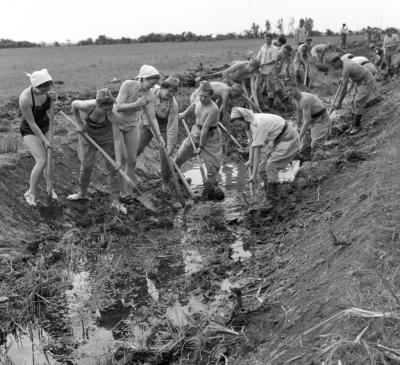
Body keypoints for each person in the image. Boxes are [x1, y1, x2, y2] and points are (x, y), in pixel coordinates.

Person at [67, 89, 127, 214]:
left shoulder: (113, 114)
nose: (108, 111)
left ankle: (115, 201)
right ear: (98, 105)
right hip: (87, 135)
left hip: (106, 137)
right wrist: (79, 123)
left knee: (113, 168)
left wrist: (118, 161)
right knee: (86, 166)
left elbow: (117, 139)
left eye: (110, 108)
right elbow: (73, 104)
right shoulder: (88, 106)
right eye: (104, 109)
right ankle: (82, 193)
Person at [230, 107, 299, 210]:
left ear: (245, 119)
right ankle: (269, 193)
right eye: (237, 127)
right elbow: (252, 144)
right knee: (263, 169)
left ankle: (272, 200)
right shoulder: (248, 125)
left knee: (271, 165)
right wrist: (250, 160)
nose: (239, 128)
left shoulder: (257, 125)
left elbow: (257, 151)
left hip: (287, 137)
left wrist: (253, 174)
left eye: (240, 125)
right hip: (276, 139)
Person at [114, 65, 162, 204]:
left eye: (154, 85)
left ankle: (130, 192)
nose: (151, 87)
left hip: (131, 125)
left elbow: (152, 118)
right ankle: (122, 194)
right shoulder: (128, 85)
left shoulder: (150, 94)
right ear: (142, 78)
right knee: (122, 159)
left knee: (132, 160)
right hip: (116, 124)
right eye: (150, 83)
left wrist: (159, 136)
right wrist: (136, 104)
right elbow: (118, 107)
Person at [175, 82, 223, 198]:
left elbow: (205, 129)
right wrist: (184, 114)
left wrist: (200, 147)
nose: (202, 98)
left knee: (212, 165)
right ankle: (174, 175)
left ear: (210, 96)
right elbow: (193, 105)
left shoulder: (213, 109)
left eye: (205, 97)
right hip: (196, 131)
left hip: (211, 136)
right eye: (201, 95)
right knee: (181, 153)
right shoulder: (198, 99)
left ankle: (211, 188)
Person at [19, 69, 56, 207]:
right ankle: (31, 193)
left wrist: (53, 100)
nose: (45, 92)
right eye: (43, 90)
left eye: (48, 89)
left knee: (49, 159)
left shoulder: (47, 91)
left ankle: (50, 188)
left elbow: (49, 110)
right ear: (36, 86)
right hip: (30, 129)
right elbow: (32, 123)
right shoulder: (25, 99)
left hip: (45, 126)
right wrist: (45, 141)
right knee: (41, 160)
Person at [136, 76, 179, 193]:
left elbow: (172, 129)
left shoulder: (173, 105)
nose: (171, 94)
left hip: (163, 127)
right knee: (137, 148)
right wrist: (148, 123)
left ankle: (165, 181)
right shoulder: (152, 92)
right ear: (163, 87)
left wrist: (169, 148)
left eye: (174, 92)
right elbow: (143, 108)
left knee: (165, 154)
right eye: (169, 91)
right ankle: (128, 172)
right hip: (147, 122)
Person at [285, 80, 330, 160]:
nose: (289, 93)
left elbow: (306, 121)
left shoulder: (305, 99)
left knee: (315, 145)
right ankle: (306, 162)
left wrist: (299, 136)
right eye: (287, 91)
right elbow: (299, 113)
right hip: (311, 121)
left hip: (321, 120)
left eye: (290, 90)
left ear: (296, 87)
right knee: (303, 149)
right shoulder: (295, 100)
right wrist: (298, 126)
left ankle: (320, 160)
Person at [331, 56, 377, 134]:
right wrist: (343, 78)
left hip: (366, 81)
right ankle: (353, 125)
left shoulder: (346, 68)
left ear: (338, 61)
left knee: (358, 102)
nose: (334, 67)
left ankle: (357, 126)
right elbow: (354, 69)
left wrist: (339, 102)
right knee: (352, 102)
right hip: (359, 82)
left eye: (334, 65)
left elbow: (344, 88)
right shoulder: (345, 61)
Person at [256, 33, 279, 109]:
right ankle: (259, 102)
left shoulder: (274, 48)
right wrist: (257, 62)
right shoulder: (263, 47)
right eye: (266, 39)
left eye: (268, 39)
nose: (267, 40)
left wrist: (264, 64)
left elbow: (273, 61)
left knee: (270, 88)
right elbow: (259, 57)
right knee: (257, 86)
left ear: (271, 39)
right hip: (261, 70)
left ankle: (270, 105)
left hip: (269, 71)